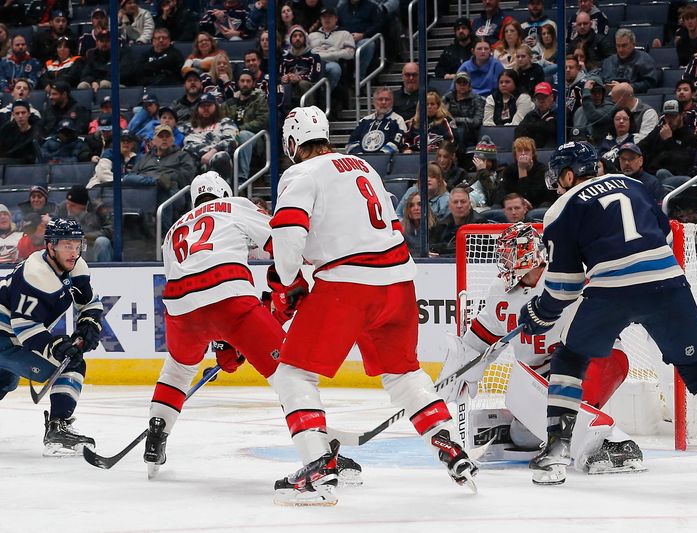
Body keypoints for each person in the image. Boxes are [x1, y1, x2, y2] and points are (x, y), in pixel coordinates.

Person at [268, 106, 478, 505]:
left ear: (292, 143)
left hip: (348, 285)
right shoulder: (364, 168)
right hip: (398, 283)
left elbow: (287, 250)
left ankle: (317, 468)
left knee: (293, 374)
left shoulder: (299, 174)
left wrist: (287, 283)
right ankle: (450, 446)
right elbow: (389, 226)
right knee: (403, 374)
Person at [517, 141, 697, 484]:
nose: (557, 186)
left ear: (568, 175)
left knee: (570, 359)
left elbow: (565, 284)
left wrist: (540, 312)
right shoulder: (635, 185)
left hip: (611, 292)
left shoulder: (562, 207)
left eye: (558, 179)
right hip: (668, 283)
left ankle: (556, 451)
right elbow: (662, 237)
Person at [440, 223, 646, 473]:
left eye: (509, 255)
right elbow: (476, 343)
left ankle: (617, 444)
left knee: (565, 420)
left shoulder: (567, 277)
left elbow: (609, 311)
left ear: (527, 255)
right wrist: (461, 366)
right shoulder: (500, 292)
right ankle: (569, 435)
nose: (504, 262)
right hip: (542, 377)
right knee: (522, 437)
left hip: (594, 358)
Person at [145, 172, 283, 477]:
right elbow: (280, 240)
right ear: (224, 191)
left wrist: (223, 341)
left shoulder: (173, 231)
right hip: (229, 294)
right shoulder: (234, 205)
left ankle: (157, 432)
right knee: (288, 370)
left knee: (178, 371)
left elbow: (190, 289)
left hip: (180, 308)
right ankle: (320, 449)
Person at [0, 218, 103, 455]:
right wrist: (55, 346)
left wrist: (89, 322)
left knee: (4, 382)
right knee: (70, 365)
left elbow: (90, 302)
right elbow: (24, 327)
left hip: (10, 337)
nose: (74, 252)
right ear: (50, 246)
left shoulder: (76, 267)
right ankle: (57, 428)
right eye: (67, 245)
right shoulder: (35, 274)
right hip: (5, 339)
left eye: (77, 245)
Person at [223, 69, 268, 182]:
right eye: (242, 81)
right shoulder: (229, 102)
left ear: (253, 83)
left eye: (248, 81)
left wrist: (239, 129)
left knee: (243, 135)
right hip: (232, 134)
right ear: (238, 83)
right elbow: (223, 120)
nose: (245, 84)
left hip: (255, 138)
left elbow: (262, 121)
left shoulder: (260, 100)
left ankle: (241, 177)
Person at [183, 93, 239, 180]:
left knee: (221, 156)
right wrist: (207, 152)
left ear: (216, 107)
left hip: (217, 162)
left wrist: (213, 152)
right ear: (197, 109)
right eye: (202, 106)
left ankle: (222, 192)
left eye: (209, 105)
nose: (206, 109)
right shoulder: (189, 127)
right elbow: (188, 146)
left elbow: (231, 141)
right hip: (196, 164)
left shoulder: (225, 122)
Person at [638, 100, 697, 178]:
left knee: (662, 173)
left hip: (675, 176)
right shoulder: (659, 130)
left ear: (682, 115)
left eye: (673, 116)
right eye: (667, 116)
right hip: (652, 174)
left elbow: (683, 163)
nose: (669, 120)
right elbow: (642, 147)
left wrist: (668, 140)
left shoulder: (690, 135)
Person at [54, 185, 113, 262]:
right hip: (71, 245)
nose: (68, 207)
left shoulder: (99, 208)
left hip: (93, 243)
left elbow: (110, 231)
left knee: (102, 242)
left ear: (83, 206)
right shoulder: (62, 207)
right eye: (67, 203)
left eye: (72, 205)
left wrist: (85, 236)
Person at [345, 86, 407, 155]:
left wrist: (378, 157)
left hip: (386, 161)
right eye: (380, 99)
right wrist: (362, 156)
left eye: (387, 99)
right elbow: (351, 144)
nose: (383, 102)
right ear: (374, 102)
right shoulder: (364, 121)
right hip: (363, 162)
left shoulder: (398, 120)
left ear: (392, 102)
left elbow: (397, 143)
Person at [499, 136, 554, 210]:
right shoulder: (509, 171)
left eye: (527, 150)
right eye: (520, 151)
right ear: (515, 155)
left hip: (537, 207)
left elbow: (535, 197)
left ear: (533, 154)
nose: (523, 154)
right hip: (513, 208)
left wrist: (522, 170)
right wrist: (520, 202)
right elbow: (502, 195)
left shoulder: (543, 171)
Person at [430, 186, 487, 256]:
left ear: (469, 204)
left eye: (463, 202)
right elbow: (432, 246)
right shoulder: (442, 224)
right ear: (449, 205)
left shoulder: (479, 223)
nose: (459, 205)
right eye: (455, 202)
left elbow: (471, 251)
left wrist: (441, 251)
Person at [600, 28, 658, 94]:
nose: (620, 50)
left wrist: (625, 87)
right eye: (618, 46)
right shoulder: (608, 62)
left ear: (633, 44)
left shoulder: (644, 60)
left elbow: (650, 83)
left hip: (634, 97)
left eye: (624, 46)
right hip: (608, 99)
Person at [280, 25, 323, 108]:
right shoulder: (285, 58)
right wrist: (284, 78)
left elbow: (315, 77)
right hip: (289, 87)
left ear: (305, 39)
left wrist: (299, 78)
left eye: (300, 36)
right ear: (290, 39)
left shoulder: (314, 57)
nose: (297, 38)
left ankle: (309, 113)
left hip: (309, 87)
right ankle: (285, 113)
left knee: (302, 84)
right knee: (282, 86)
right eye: (295, 36)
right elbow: (279, 75)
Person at [442, 72, 485, 148]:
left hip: (470, 134)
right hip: (450, 130)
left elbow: (476, 121)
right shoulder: (447, 98)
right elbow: (441, 115)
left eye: (464, 83)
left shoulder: (477, 99)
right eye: (459, 82)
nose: (462, 85)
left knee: (460, 132)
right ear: (455, 84)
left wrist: (456, 120)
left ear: (469, 85)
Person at [514, 82, 557, 148]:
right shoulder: (531, 115)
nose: (541, 101)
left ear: (552, 97)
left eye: (544, 97)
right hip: (533, 152)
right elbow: (518, 132)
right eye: (538, 98)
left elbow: (554, 129)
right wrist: (544, 124)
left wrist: (532, 126)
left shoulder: (560, 113)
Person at [0, 99, 39, 164]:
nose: (20, 116)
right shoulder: (6, 129)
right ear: (13, 115)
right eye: (17, 113)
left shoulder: (35, 131)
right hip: (6, 163)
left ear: (29, 113)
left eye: (23, 113)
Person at [401, 191, 438, 257]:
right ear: (408, 210)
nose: (416, 208)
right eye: (411, 205)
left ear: (427, 207)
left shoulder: (438, 227)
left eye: (420, 204)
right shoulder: (401, 230)